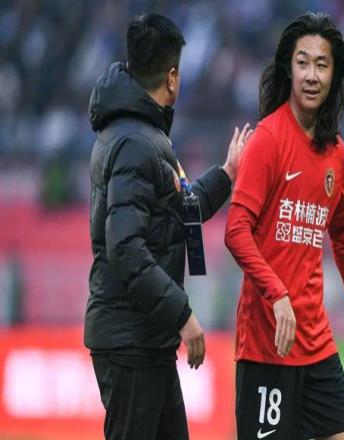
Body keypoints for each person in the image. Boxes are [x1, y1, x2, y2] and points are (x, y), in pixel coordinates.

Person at [225, 12, 344, 440]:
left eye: (322, 64)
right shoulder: (268, 140)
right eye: (303, 63)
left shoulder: (335, 151)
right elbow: (236, 231)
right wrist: (277, 293)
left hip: (316, 344)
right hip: (268, 344)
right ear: (289, 69)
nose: (311, 75)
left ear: (335, 75)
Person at [84, 13, 250, 440]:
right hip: (132, 342)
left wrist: (227, 173)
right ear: (172, 77)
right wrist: (183, 315)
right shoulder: (136, 143)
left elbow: (178, 211)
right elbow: (126, 247)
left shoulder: (139, 136)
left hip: (147, 340)